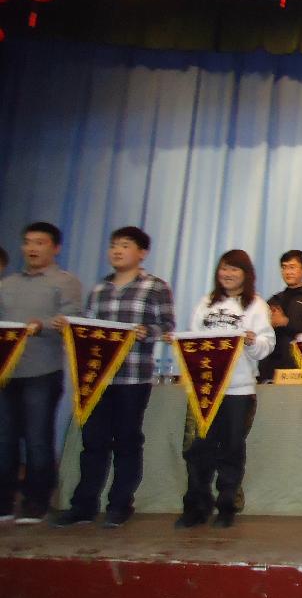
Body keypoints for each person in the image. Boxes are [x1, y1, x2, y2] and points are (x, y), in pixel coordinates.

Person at [52, 227, 175, 528]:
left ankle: (120, 504)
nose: (117, 251)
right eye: (114, 245)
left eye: (125, 245)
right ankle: (83, 505)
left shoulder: (155, 287)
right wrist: (70, 327)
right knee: (93, 442)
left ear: (142, 253)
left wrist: (147, 332)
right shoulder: (99, 289)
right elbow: (88, 328)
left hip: (133, 377)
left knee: (127, 441)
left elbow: (167, 326)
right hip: (97, 378)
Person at [175, 250, 274, 529]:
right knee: (198, 449)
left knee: (231, 448)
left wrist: (252, 342)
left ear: (246, 274)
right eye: (223, 268)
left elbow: (267, 345)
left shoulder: (256, 305)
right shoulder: (206, 302)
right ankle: (196, 506)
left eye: (234, 269)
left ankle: (227, 505)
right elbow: (194, 338)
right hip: (205, 389)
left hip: (238, 390)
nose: (227, 274)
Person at [0, 222, 82, 524]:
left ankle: (36, 501)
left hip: (43, 370)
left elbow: (73, 318)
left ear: (55, 248)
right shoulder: (7, 284)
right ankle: (4, 501)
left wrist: (42, 324)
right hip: (7, 372)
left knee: (37, 439)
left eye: (40, 242)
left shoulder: (65, 282)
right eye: (28, 242)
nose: (32, 248)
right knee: (4, 439)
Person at [258, 250, 302, 383]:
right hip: (271, 369)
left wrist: (286, 322)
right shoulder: (274, 300)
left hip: (300, 367)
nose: (288, 272)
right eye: (284, 267)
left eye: (292, 267)